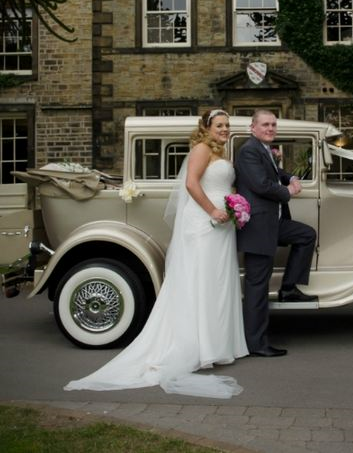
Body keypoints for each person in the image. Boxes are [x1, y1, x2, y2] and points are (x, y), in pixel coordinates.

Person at [64, 110, 248, 398]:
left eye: (227, 125)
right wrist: (213, 210)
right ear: (207, 128)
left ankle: (218, 344)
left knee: (218, 282)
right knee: (201, 280)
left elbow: (220, 184)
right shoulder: (201, 149)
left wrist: (234, 204)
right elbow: (191, 184)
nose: (225, 129)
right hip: (205, 221)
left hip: (223, 223)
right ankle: (200, 347)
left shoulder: (221, 153)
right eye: (219, 125)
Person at [234, 109, 317, 357]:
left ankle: (289, 288)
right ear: (253, 128)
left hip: (274, 222)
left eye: (273, 124)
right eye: (265, 125)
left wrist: (291, 176)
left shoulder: (264, 150)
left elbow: (275, 173)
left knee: (306, 235)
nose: (270, 128)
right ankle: (256, 344)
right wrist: (287, 191)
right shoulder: (249, 150)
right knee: (257, 287)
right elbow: (261, 184)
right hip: (258, 227)